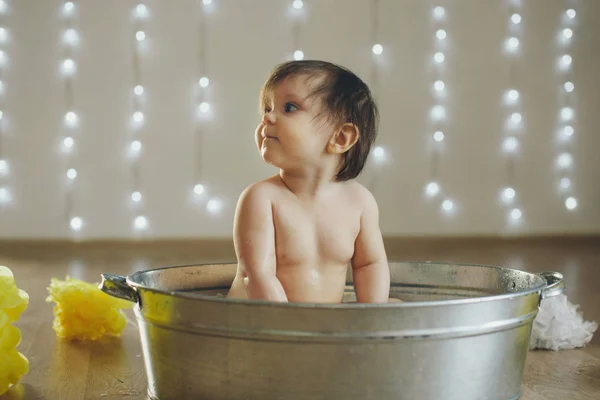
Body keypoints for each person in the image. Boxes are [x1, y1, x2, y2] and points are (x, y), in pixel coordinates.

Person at [227, 60, 390, 303]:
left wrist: (373, 317)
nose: (268, 118)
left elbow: (370, 264)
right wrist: (288, 328)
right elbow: (258, 274)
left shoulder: (359, 202)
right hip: (259, 320)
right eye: (267, 108)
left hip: (317, 325)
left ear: (341, 137)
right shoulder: (262, 198)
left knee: (395, 305)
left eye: (289, 107)